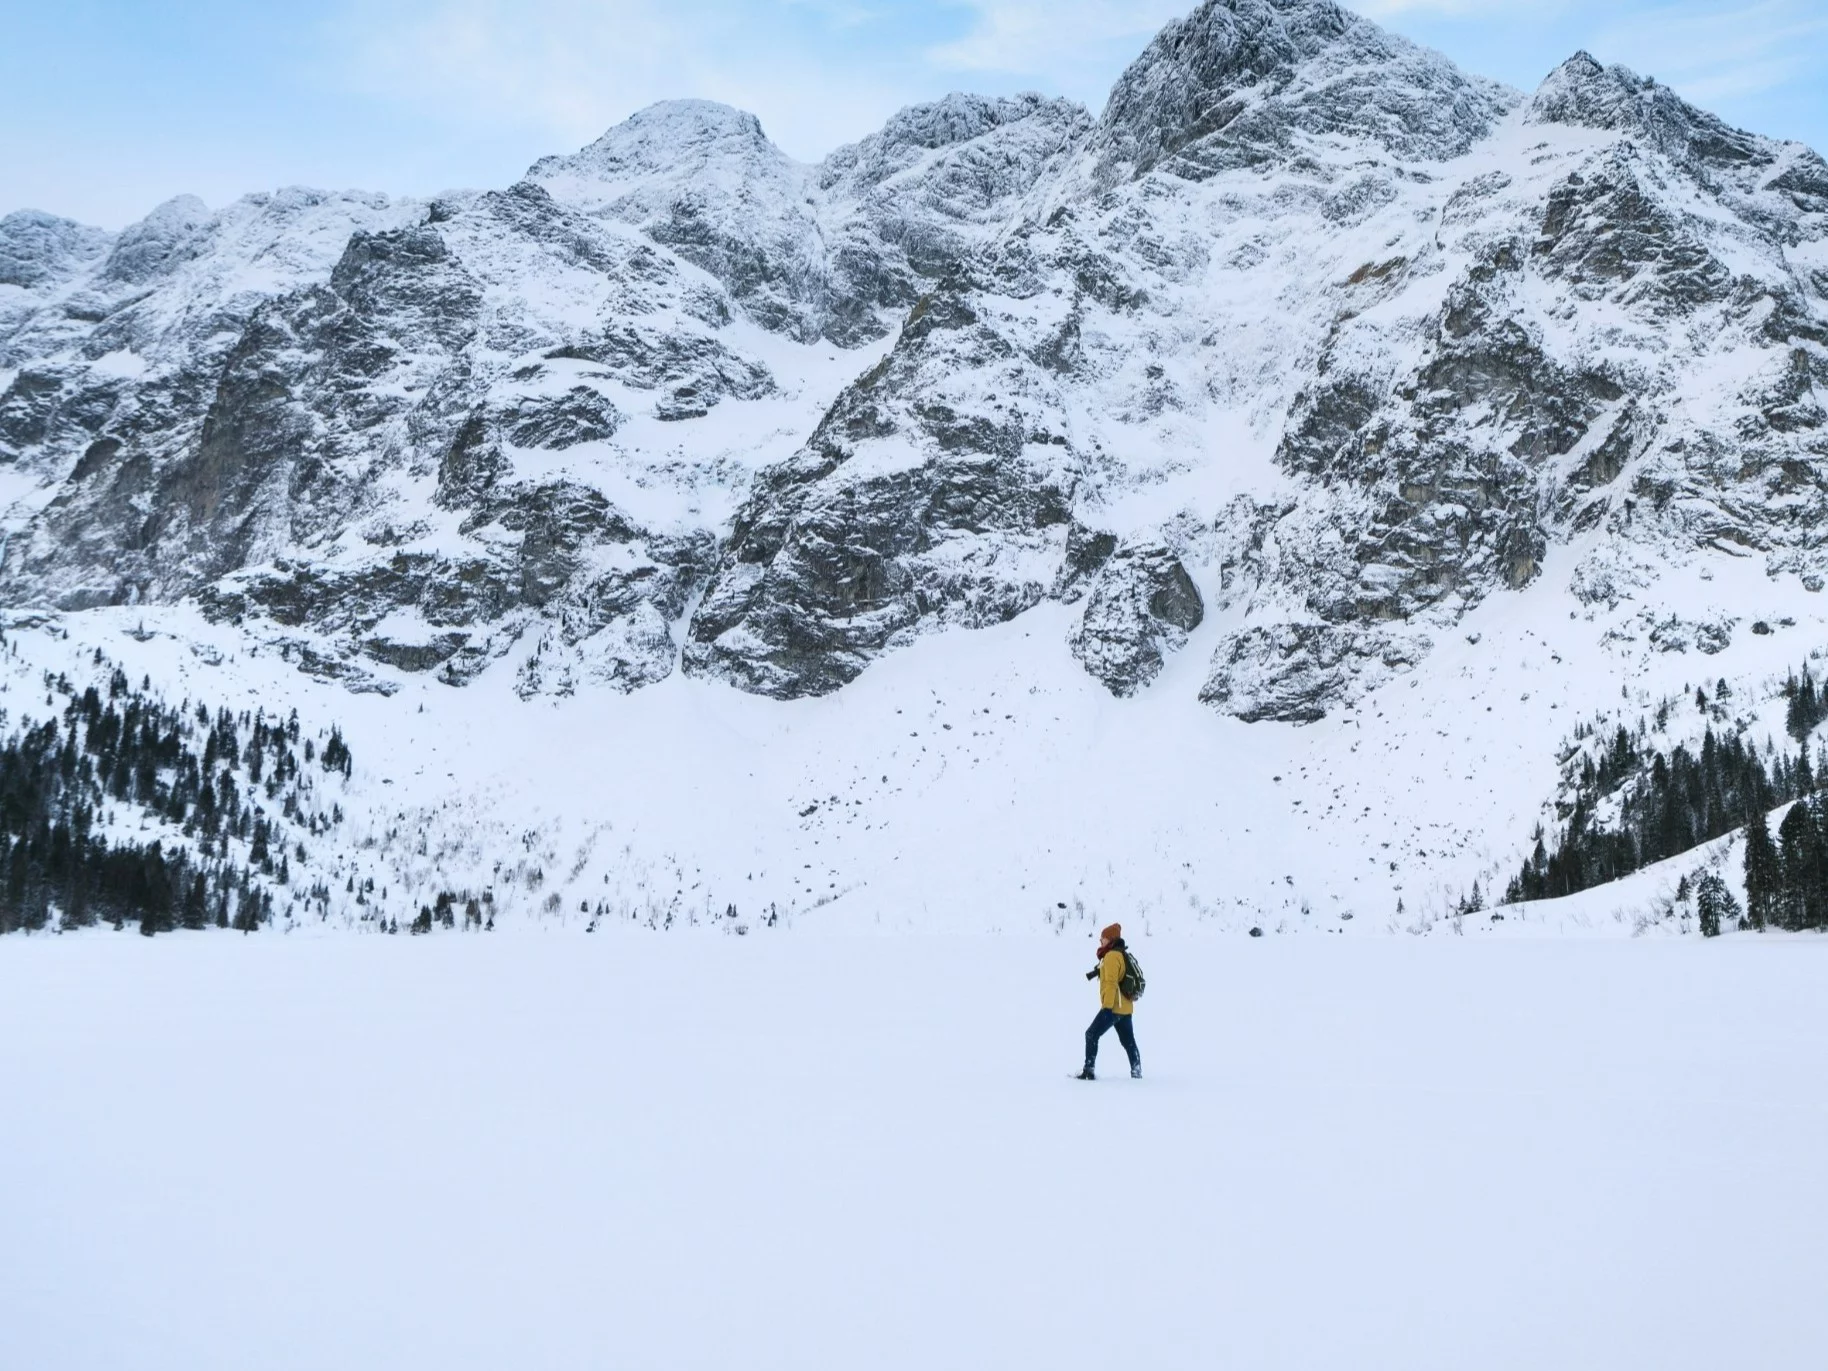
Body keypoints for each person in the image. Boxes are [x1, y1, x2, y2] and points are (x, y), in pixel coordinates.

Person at [1077, 922, 1140, 1080]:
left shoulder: (1112, 956)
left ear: (1110, 939)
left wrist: (1107, 1008)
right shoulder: (1120, 954)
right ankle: (1136, 1071)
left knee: (1091, 1034)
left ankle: (1088, 1071)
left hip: (1113, 1007)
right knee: (1128, 1042)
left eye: (1103, 938)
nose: (1100, 941)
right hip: (1125, 1008)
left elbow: (1111, 982)